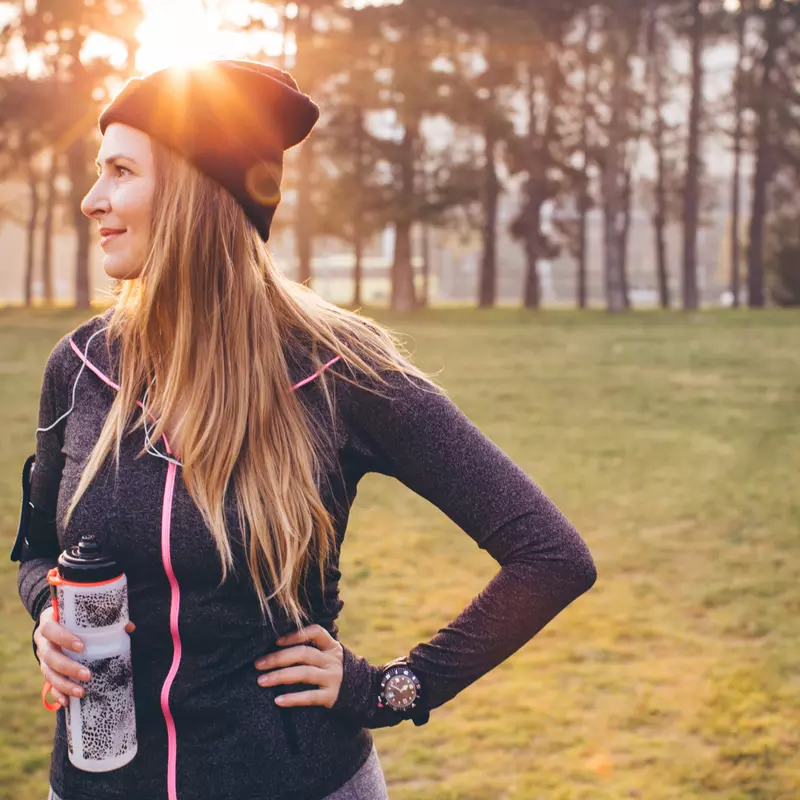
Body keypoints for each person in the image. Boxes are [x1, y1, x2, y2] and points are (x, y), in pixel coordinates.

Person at [13, 60, 598, 800]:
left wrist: (391, 688)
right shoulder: (80, 367)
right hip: (94, 784)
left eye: (121, 171)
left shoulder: (337, 371)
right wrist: (47, 616)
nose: (92, 200)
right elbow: (38, 551)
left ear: (198, 192)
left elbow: (551, 556)